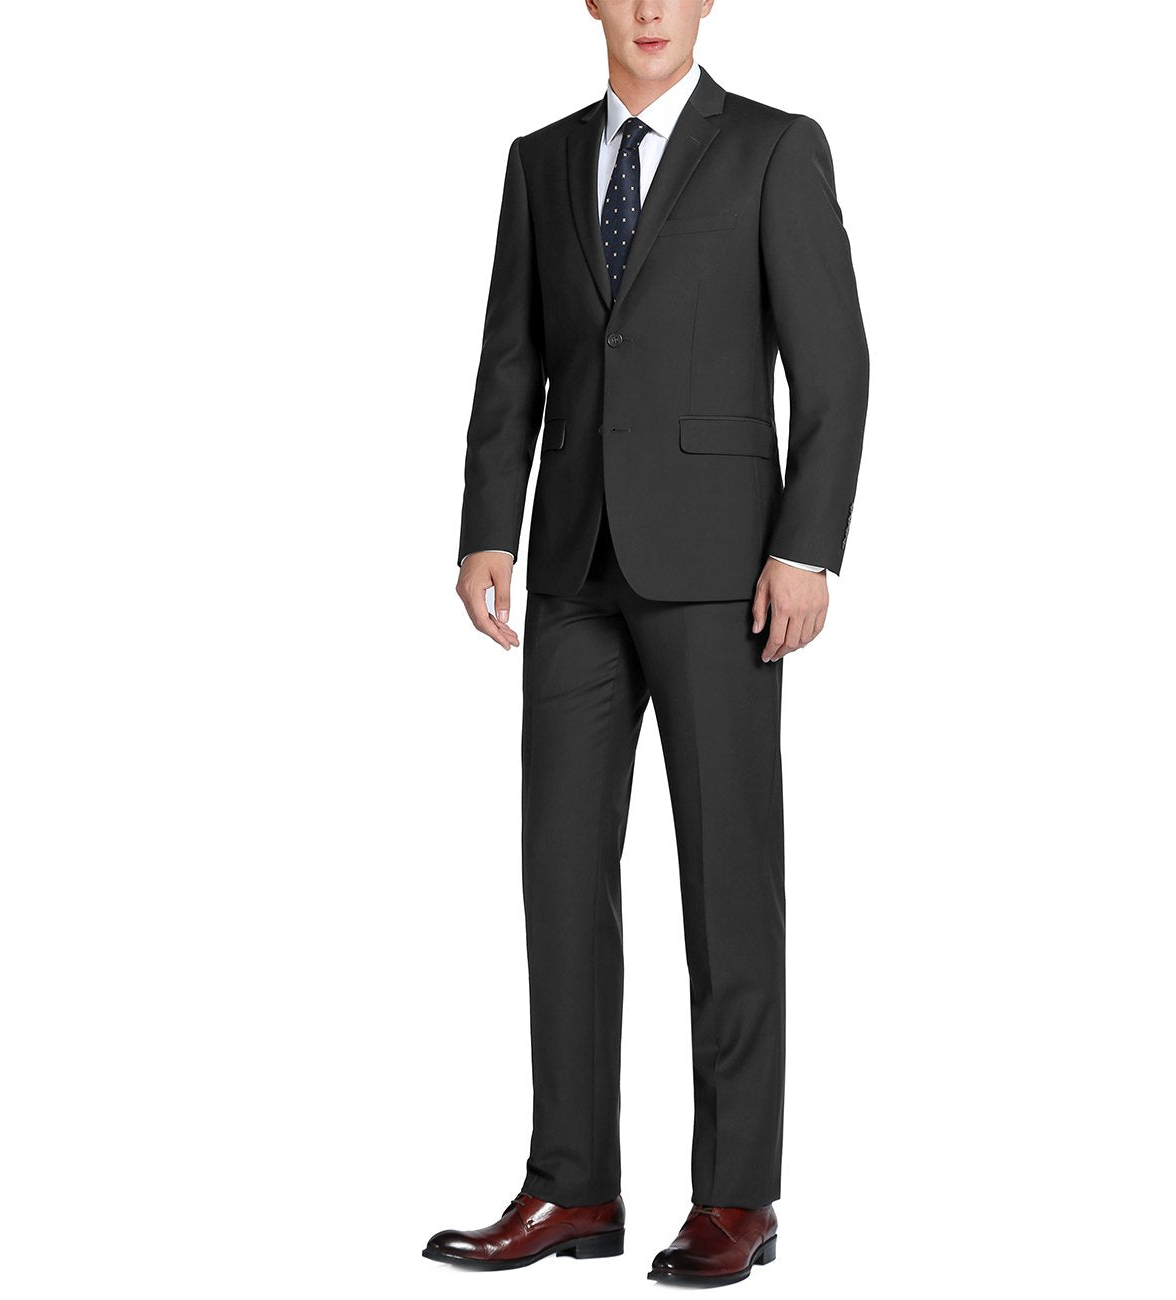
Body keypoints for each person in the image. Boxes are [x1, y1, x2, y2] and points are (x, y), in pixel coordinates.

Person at [424, 0, 868, 1285]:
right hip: (570, 567)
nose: (650, 9)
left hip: (724, 572)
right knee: (560, 876)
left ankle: (734, 1195)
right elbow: (510, 359)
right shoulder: (539, 161)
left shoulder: (773, 147)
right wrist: (486, 529)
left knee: (728, 879)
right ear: (592, 3)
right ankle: (571, 1183)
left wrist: (805, 546)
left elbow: (833, 367)